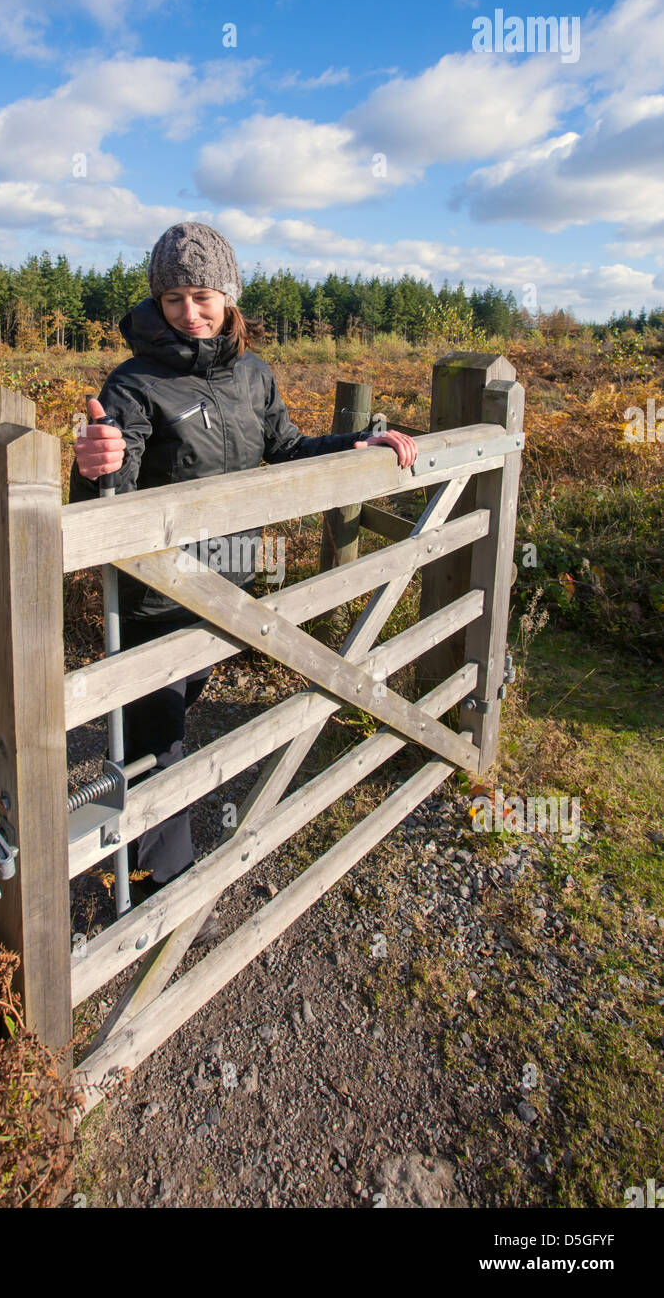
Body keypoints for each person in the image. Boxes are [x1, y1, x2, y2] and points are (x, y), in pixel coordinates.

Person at [70, 222, 417, 941]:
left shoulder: (253, 376)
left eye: (202, 296)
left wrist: (358, 444)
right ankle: (164, 888)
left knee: (171, 713)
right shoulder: (134, 385)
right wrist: (92, 467)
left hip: (226, 586)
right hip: (155, 597)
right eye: (172, 297)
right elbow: (109, 504)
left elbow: (284, 449)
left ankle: (113, 826)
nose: (188, 312)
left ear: (229, 299)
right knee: (156, 736)